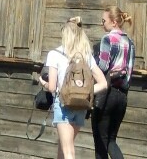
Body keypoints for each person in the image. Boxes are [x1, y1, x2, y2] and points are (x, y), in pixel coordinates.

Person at [42, 17, 107, 159]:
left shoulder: (55, 54)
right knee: (64, 145)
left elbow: (52, 87)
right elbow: (103, 83)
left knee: (69, 152)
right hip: (81, 107)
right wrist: (85, 93)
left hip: (63, 104)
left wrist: (43, 83)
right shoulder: (86, 56)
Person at [91, 8, 135, 159]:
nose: (101, 23)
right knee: (111, 141)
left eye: (103, 21)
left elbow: (103, 66)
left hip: (106, 95)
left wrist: (90, 64)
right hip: (122, 96)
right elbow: (129, 72)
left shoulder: (107, 39)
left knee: (100, 142)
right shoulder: (130, 42)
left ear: (114, 22)